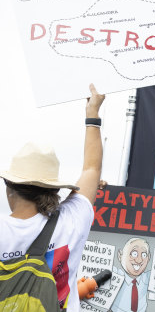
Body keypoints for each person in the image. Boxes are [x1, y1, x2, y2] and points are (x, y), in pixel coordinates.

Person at [0, 84, 105, 312]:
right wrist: (92, 112)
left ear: (9, 188)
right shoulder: (71, 221)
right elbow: (91, 170)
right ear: (53, 190)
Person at [111, 237, 151, 312]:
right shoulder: (115, 274)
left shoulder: (148, 278)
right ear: (120, 256)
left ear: (148, 258)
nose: (139, 260)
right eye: (134, 254)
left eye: (144, 255)